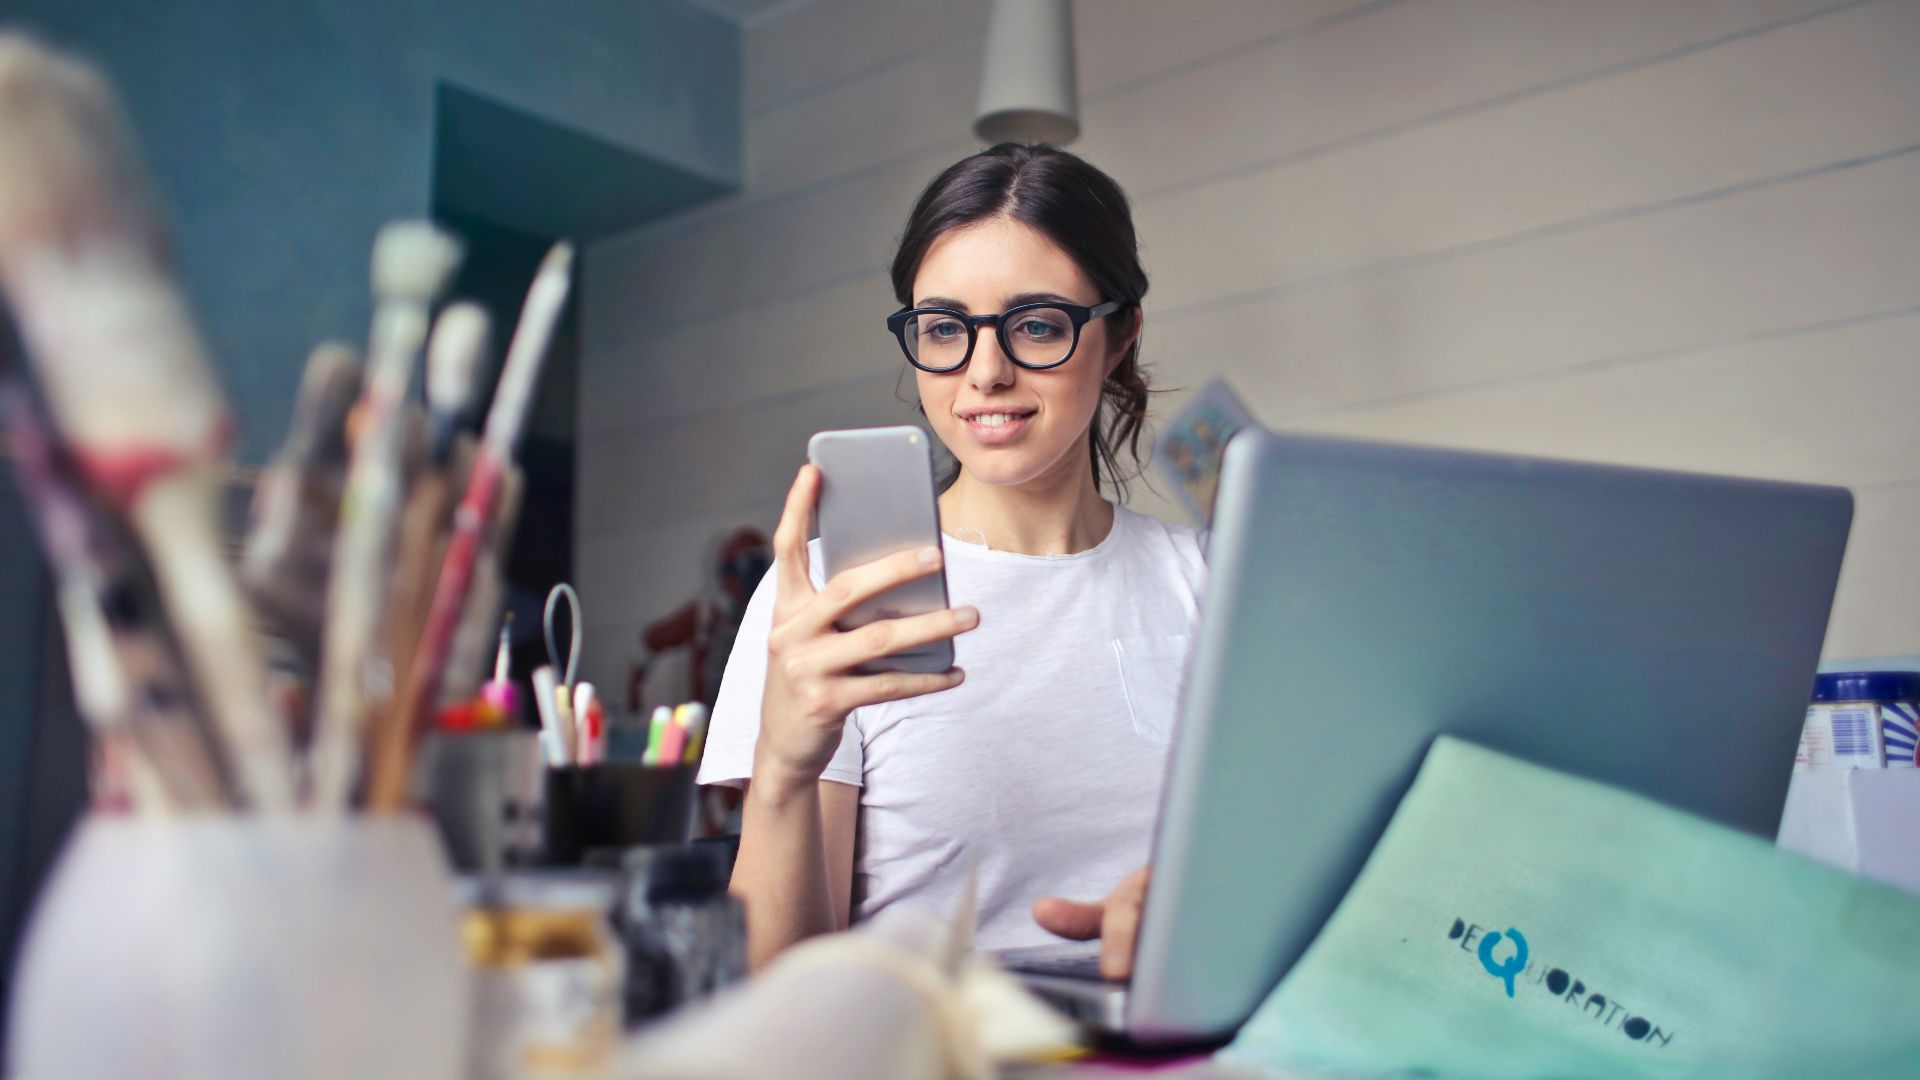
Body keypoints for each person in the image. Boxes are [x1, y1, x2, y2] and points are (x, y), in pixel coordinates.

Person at [697, 143, 1206, 978]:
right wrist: (784, 769)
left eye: (1037, 324)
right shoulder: (833, 597)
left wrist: (1202, 914)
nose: (986, 372)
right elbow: (778, 992)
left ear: (1119, 336)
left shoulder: (1212, 585)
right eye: (944, 329)